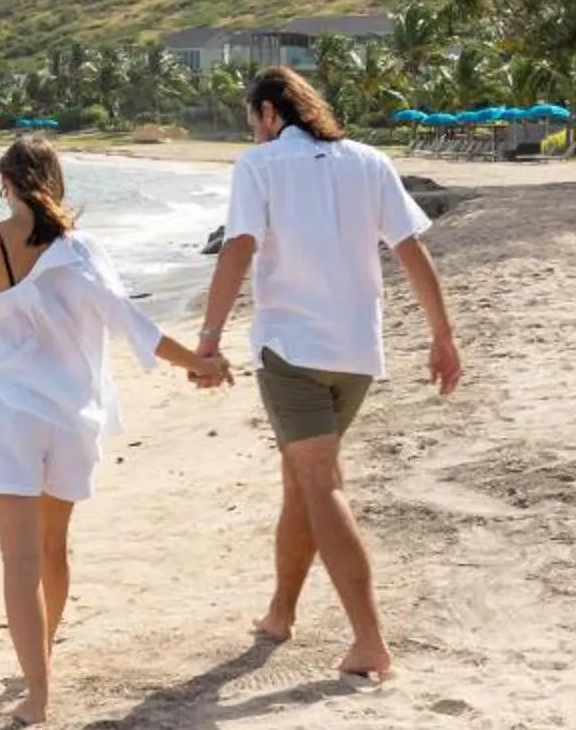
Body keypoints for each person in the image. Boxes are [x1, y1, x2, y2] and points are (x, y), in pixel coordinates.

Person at [0, 137, 209, 726]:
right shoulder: (83, 250)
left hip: (7, 419)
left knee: (18, 561)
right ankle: (41, 664)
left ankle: (38, 694)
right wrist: (199, 361)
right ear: (56, 183)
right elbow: (133, 324)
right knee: (53, 550)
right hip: (72, 420)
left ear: (4, 181)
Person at [192, 67, 462, 678]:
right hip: (357, 354)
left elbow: (238, 248)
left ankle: (370, 641)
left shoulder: (258, 166)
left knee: (321, 484)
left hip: (292, 351)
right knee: (301, 481)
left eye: (250, 118)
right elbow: (410, 248)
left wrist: (208, 338)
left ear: (268, 113)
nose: (252, 130)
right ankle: (281, 613)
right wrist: (442, 334)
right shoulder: (368, 161)